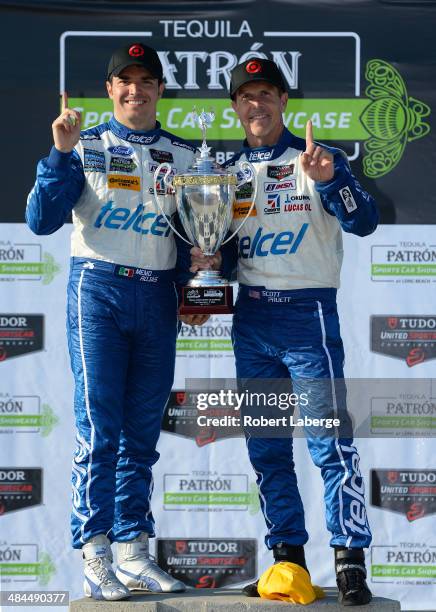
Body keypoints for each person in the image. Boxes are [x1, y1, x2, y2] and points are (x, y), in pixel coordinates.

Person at [189, 58, 378, 605]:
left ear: (283, 101)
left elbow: (364, 220)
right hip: (252, 320)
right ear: (235, 107)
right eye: (246, 97)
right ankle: (287, 563)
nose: (256, 105)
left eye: (266, 94)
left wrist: (333, 179)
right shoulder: (223, 173)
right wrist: (205, 272)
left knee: (329, 443)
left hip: (308, 317)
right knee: (268, 449)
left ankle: (349, 561)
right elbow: (220, 250)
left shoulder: (316, 159)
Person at [26, 42, 201, 601]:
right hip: (98, 291)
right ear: (109, 90)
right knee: (99, 429)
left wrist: (197, 276)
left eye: (145, 81)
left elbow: (196, 238)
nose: (134, 90)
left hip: (156, 300)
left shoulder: (185, 155)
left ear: (159, 91)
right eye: (124, 82)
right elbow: (40, 220)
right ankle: (95, 551)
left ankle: (132, 550)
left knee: (141, 435)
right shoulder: (84, 144)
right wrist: (58, 155)